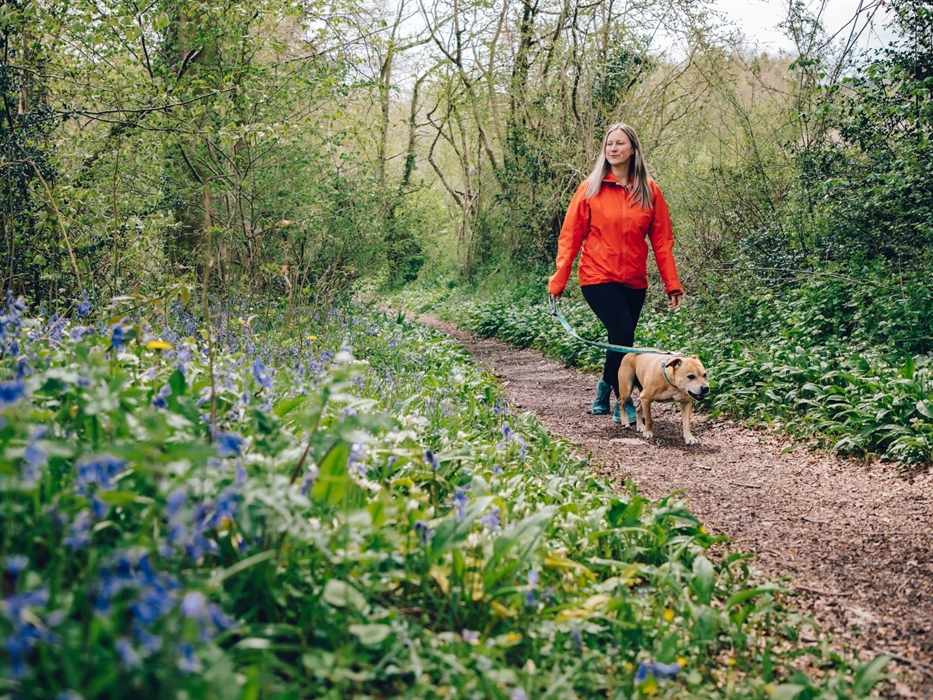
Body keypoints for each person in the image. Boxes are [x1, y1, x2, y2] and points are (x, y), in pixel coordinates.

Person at [547, 123, 683, 425]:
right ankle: (624, 401)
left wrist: (672, 284)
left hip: (634, 280)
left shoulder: (650, 191)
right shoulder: (590, 189)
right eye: (609, 143)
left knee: (622, 340)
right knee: (622, 333)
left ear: (633, 149)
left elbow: (662, 242)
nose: (613, 148)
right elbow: (570, 238)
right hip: (597, 277)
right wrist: (558, 281)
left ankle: (604, 388)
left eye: (620, 143)